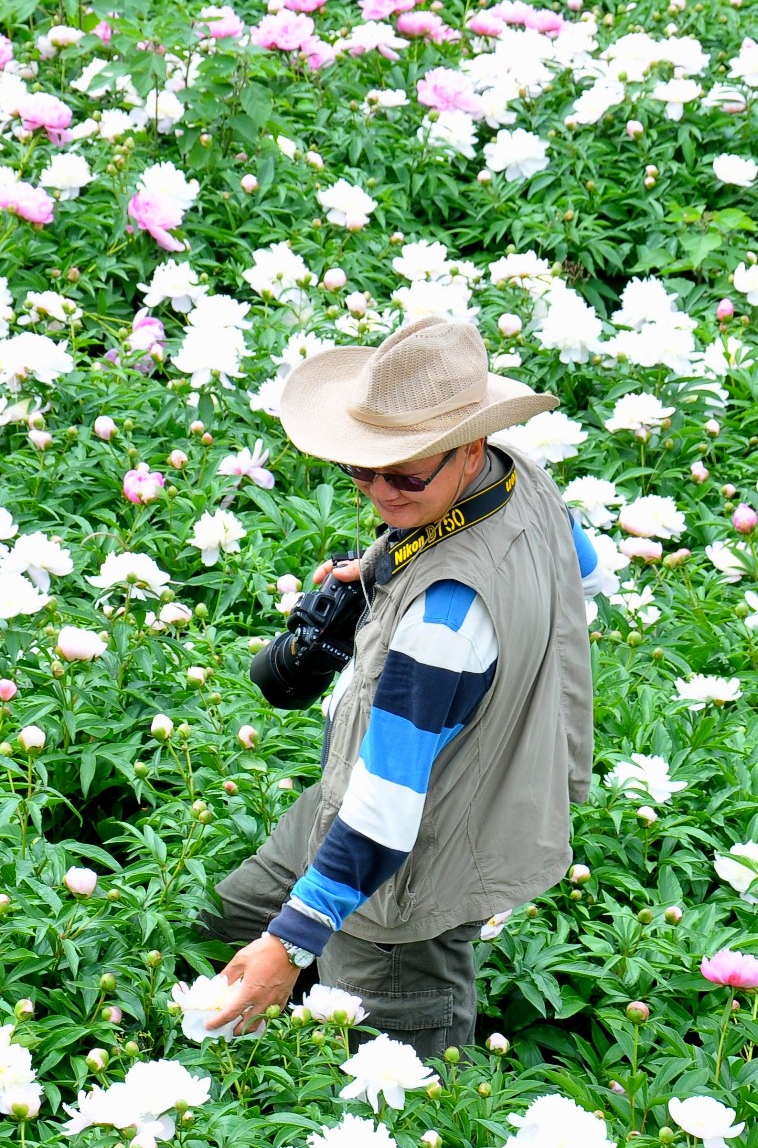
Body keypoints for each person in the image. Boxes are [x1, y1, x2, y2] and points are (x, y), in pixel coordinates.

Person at [195, 315, 609, 1059]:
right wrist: (392, 569)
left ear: (469, 447)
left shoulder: (443, 625)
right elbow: (587, 572)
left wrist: (292, 947)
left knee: (384, 1083)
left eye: (405, 475)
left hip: (411, 883)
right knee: (224, 923)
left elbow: (387, 813)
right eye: (362, 468)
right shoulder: (518, 476)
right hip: (345, 808)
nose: (379, 492)